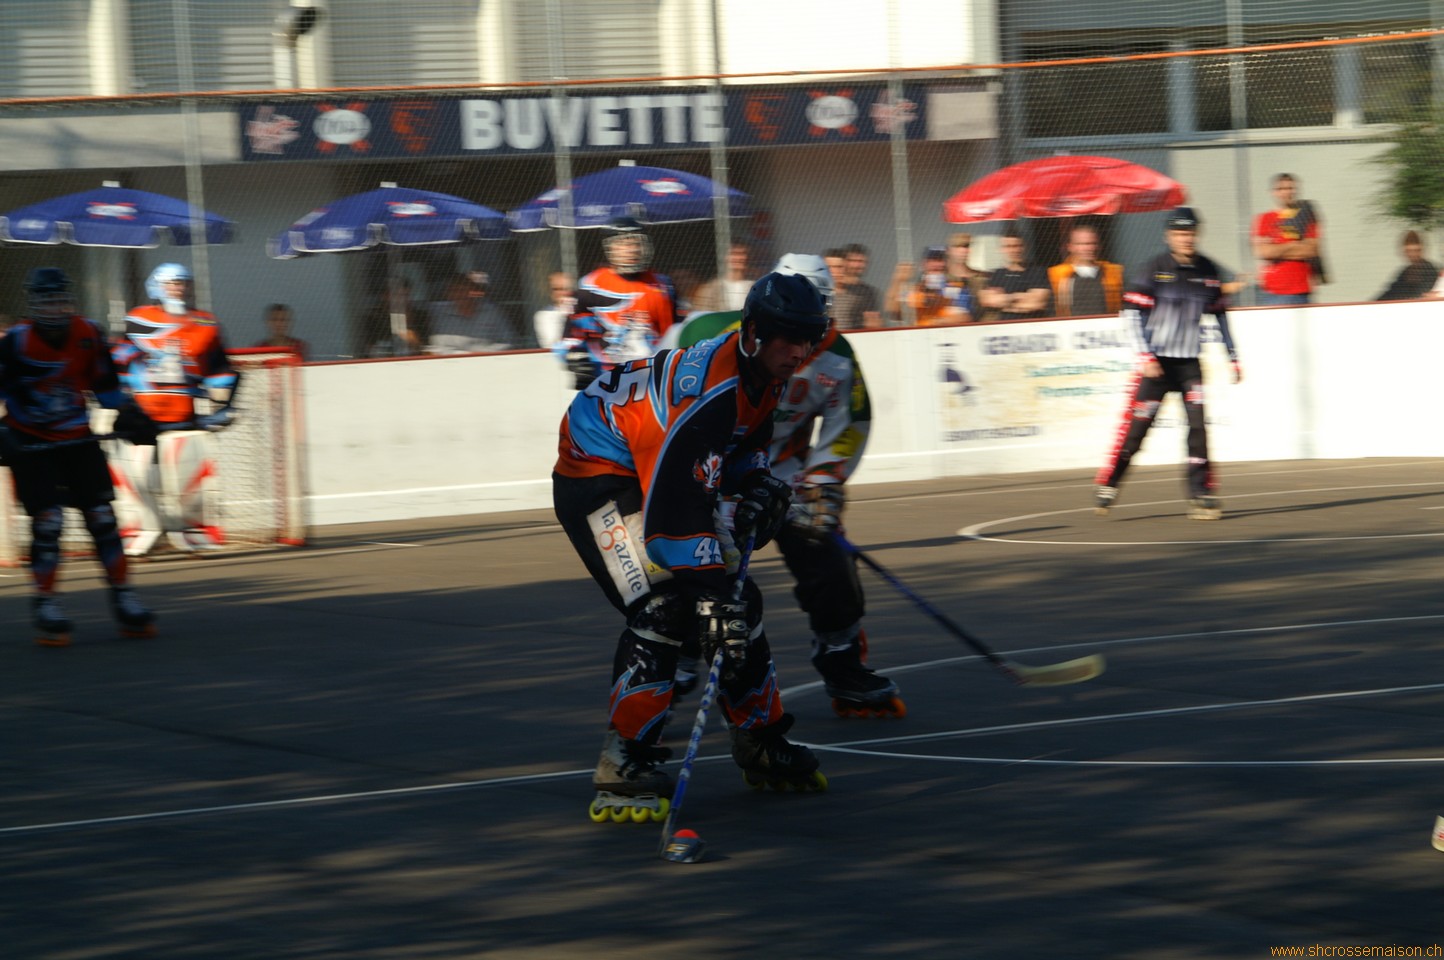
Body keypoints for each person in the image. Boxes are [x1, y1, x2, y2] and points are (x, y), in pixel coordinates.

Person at [553, 272, 830, 822]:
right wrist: (710, 595)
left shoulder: (765, 370)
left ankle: (759, 738)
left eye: (807, 339)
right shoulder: (713, 394)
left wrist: (757, 482)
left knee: (737, 602)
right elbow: (673, 518)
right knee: (667, 607)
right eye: (787, 338)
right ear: (753, 333)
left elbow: (744, 444)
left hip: (655, 461)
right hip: (599, 471)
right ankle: (623, 758)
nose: (798, 352)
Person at [659, 253, 904, 718]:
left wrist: (824, 484)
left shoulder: (838, 358)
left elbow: (850, 421)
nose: (802, 336)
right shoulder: (705, 331)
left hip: (783, 476)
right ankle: (672, 667)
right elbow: (657, 381)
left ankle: (843, 664)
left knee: (830, 560)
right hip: (708, 473)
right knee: (697, 570)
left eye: (817, 313)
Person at [0, 267, 157, 645]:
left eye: (60, 300)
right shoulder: (15, 342)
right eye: (47, 301)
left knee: (102, 517)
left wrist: (130, 414)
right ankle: (46, 603)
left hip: (77, 438)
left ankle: (124, 597)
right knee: (48, 521)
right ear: (33, 305)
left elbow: (107, 389)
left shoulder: (88, 334)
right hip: (30, 442)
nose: (55, 309)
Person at [1094, 208, 1242, 521]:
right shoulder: (1153, 269)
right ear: (1168, 236)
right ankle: (1110, 482)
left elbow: (1220, 314)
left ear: (1197, 235)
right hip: (1157, 366)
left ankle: (1201, 494)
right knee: (1137, 432)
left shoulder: (1208, 270)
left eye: (1190, 233)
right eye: (1179, 233)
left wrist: (1232, 355)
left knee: (1198, 428)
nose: (1185, 238)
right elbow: (1131, 314)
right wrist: (1144, 356)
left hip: (1189, 365)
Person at [111, 262, 240, 557]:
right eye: (170, 283)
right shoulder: (137, 319)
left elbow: (219, 367)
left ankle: (192, 531)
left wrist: (224, 404)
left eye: (181, 283)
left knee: (187, 478)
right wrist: (118, 402)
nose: (177, 289)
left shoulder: (206, 323)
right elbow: (117, 361)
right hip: (141, 416)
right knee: (135, 477)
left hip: (184, 417)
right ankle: (139, 531)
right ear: (156, 286)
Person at [555, 216, 676, 389]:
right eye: (623, 244)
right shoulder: (590, 286)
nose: (631, 250)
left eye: (636, 243)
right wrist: (577, 360)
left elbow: (674, 334)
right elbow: (571, 336)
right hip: (607, 380)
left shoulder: (663, 285)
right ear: (610, 247)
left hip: (652, 379)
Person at [1252, 173, 1320, 305]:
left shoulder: (1305, 217)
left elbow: (1311, 250)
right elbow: (1263, 252)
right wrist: (1295, 245)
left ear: (1296, 190)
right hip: (1272, 291)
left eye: (1290, 188)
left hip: (1300, 290)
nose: (1286, 192)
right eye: (1281, 189)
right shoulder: (1265, 219)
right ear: (1273, 192)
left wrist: (1276, 248)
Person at [1048, 224, 1124, 317]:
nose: (1089, 248)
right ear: (1070, 247)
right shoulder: (1056, 275)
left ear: (1099, 246)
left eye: (1093, 243)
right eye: (1082, 244)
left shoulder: (1113, 273)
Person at [886, 245, 973, 326]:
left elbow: (964, 317)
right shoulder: (914, 289)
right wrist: (898, 280)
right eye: (933, 260)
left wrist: (933, 322)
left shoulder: (956, 288)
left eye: (941, 260)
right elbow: (893, 312)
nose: (938, 264)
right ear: (924, 264)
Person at [428, 271, 513, 354]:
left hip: (490, 360)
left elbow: (508, 342)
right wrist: (466, 356)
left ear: (474, 292)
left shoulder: (491, 312)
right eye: (455, 291)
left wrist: (481, 355)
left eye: (464, 290)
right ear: (449, 294)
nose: (460, 294)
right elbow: (439, 348)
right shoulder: (440, 314)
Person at [978, 231, 1053, 321]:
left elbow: (1037, 303)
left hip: (1032, 326)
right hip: (1004, 327)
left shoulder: (1038, 272)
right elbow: (988, 301)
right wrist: (1020, 298)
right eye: (1008, 246)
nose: (1014, 250)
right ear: (1002, 249)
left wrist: (1003, 300)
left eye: (1017, 246)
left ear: (1024, 247)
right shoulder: (997, 274)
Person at [357, 278, 430, 358]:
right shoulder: (374, 318)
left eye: (406, 295)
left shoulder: (420, 316)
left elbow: (427, 348)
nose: (402, 300)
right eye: (398, 295)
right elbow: (369, 349)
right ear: (385, 296)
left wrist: (414, 340)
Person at [1375, 230, 1441, 301]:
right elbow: (1390, 294)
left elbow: (1421, 295)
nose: (1412, 254)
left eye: (1416, 250)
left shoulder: (1431, 271)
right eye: (1408, 251)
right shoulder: (1404, 273)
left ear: (1422, 251)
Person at [690, 241, 754, 312]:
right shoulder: (709, 289)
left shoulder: (756, 287)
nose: (739, 258)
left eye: (742, 253)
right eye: (734, 254)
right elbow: (702, 315)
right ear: (726, 257)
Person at [832, 242, 882, 330]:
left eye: (861, 261)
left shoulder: (868, 293)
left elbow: (873, 324)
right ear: (844, 262)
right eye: (853, 261)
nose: (857, 265)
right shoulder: (829, 288)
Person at [532, 271, 575, 350]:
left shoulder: (584, 309)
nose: (562, 293)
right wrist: (563, 315)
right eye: (556, 289)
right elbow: (550, 344)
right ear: (549, 292)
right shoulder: (544, 315)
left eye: (566, 289)